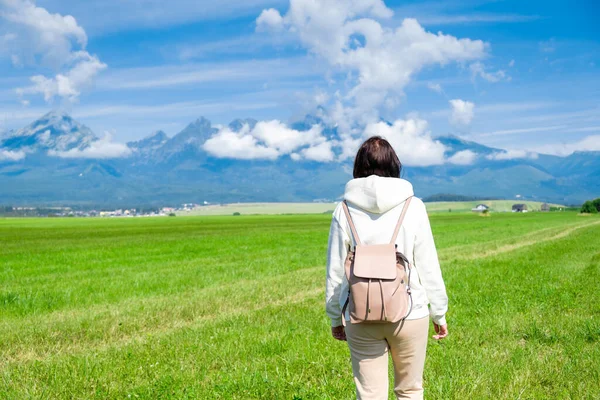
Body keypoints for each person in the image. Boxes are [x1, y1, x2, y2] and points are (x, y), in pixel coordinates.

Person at [326, 136, 448, 400]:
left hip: (360, 314)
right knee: (410, 390)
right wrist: (439, 313)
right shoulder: (413, 206)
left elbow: (335, 271)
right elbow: (428, 264)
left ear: (358, 167)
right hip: (410, 313)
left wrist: (336, 317)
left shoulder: (343, 209)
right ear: (394, 166)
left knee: (369, 395)